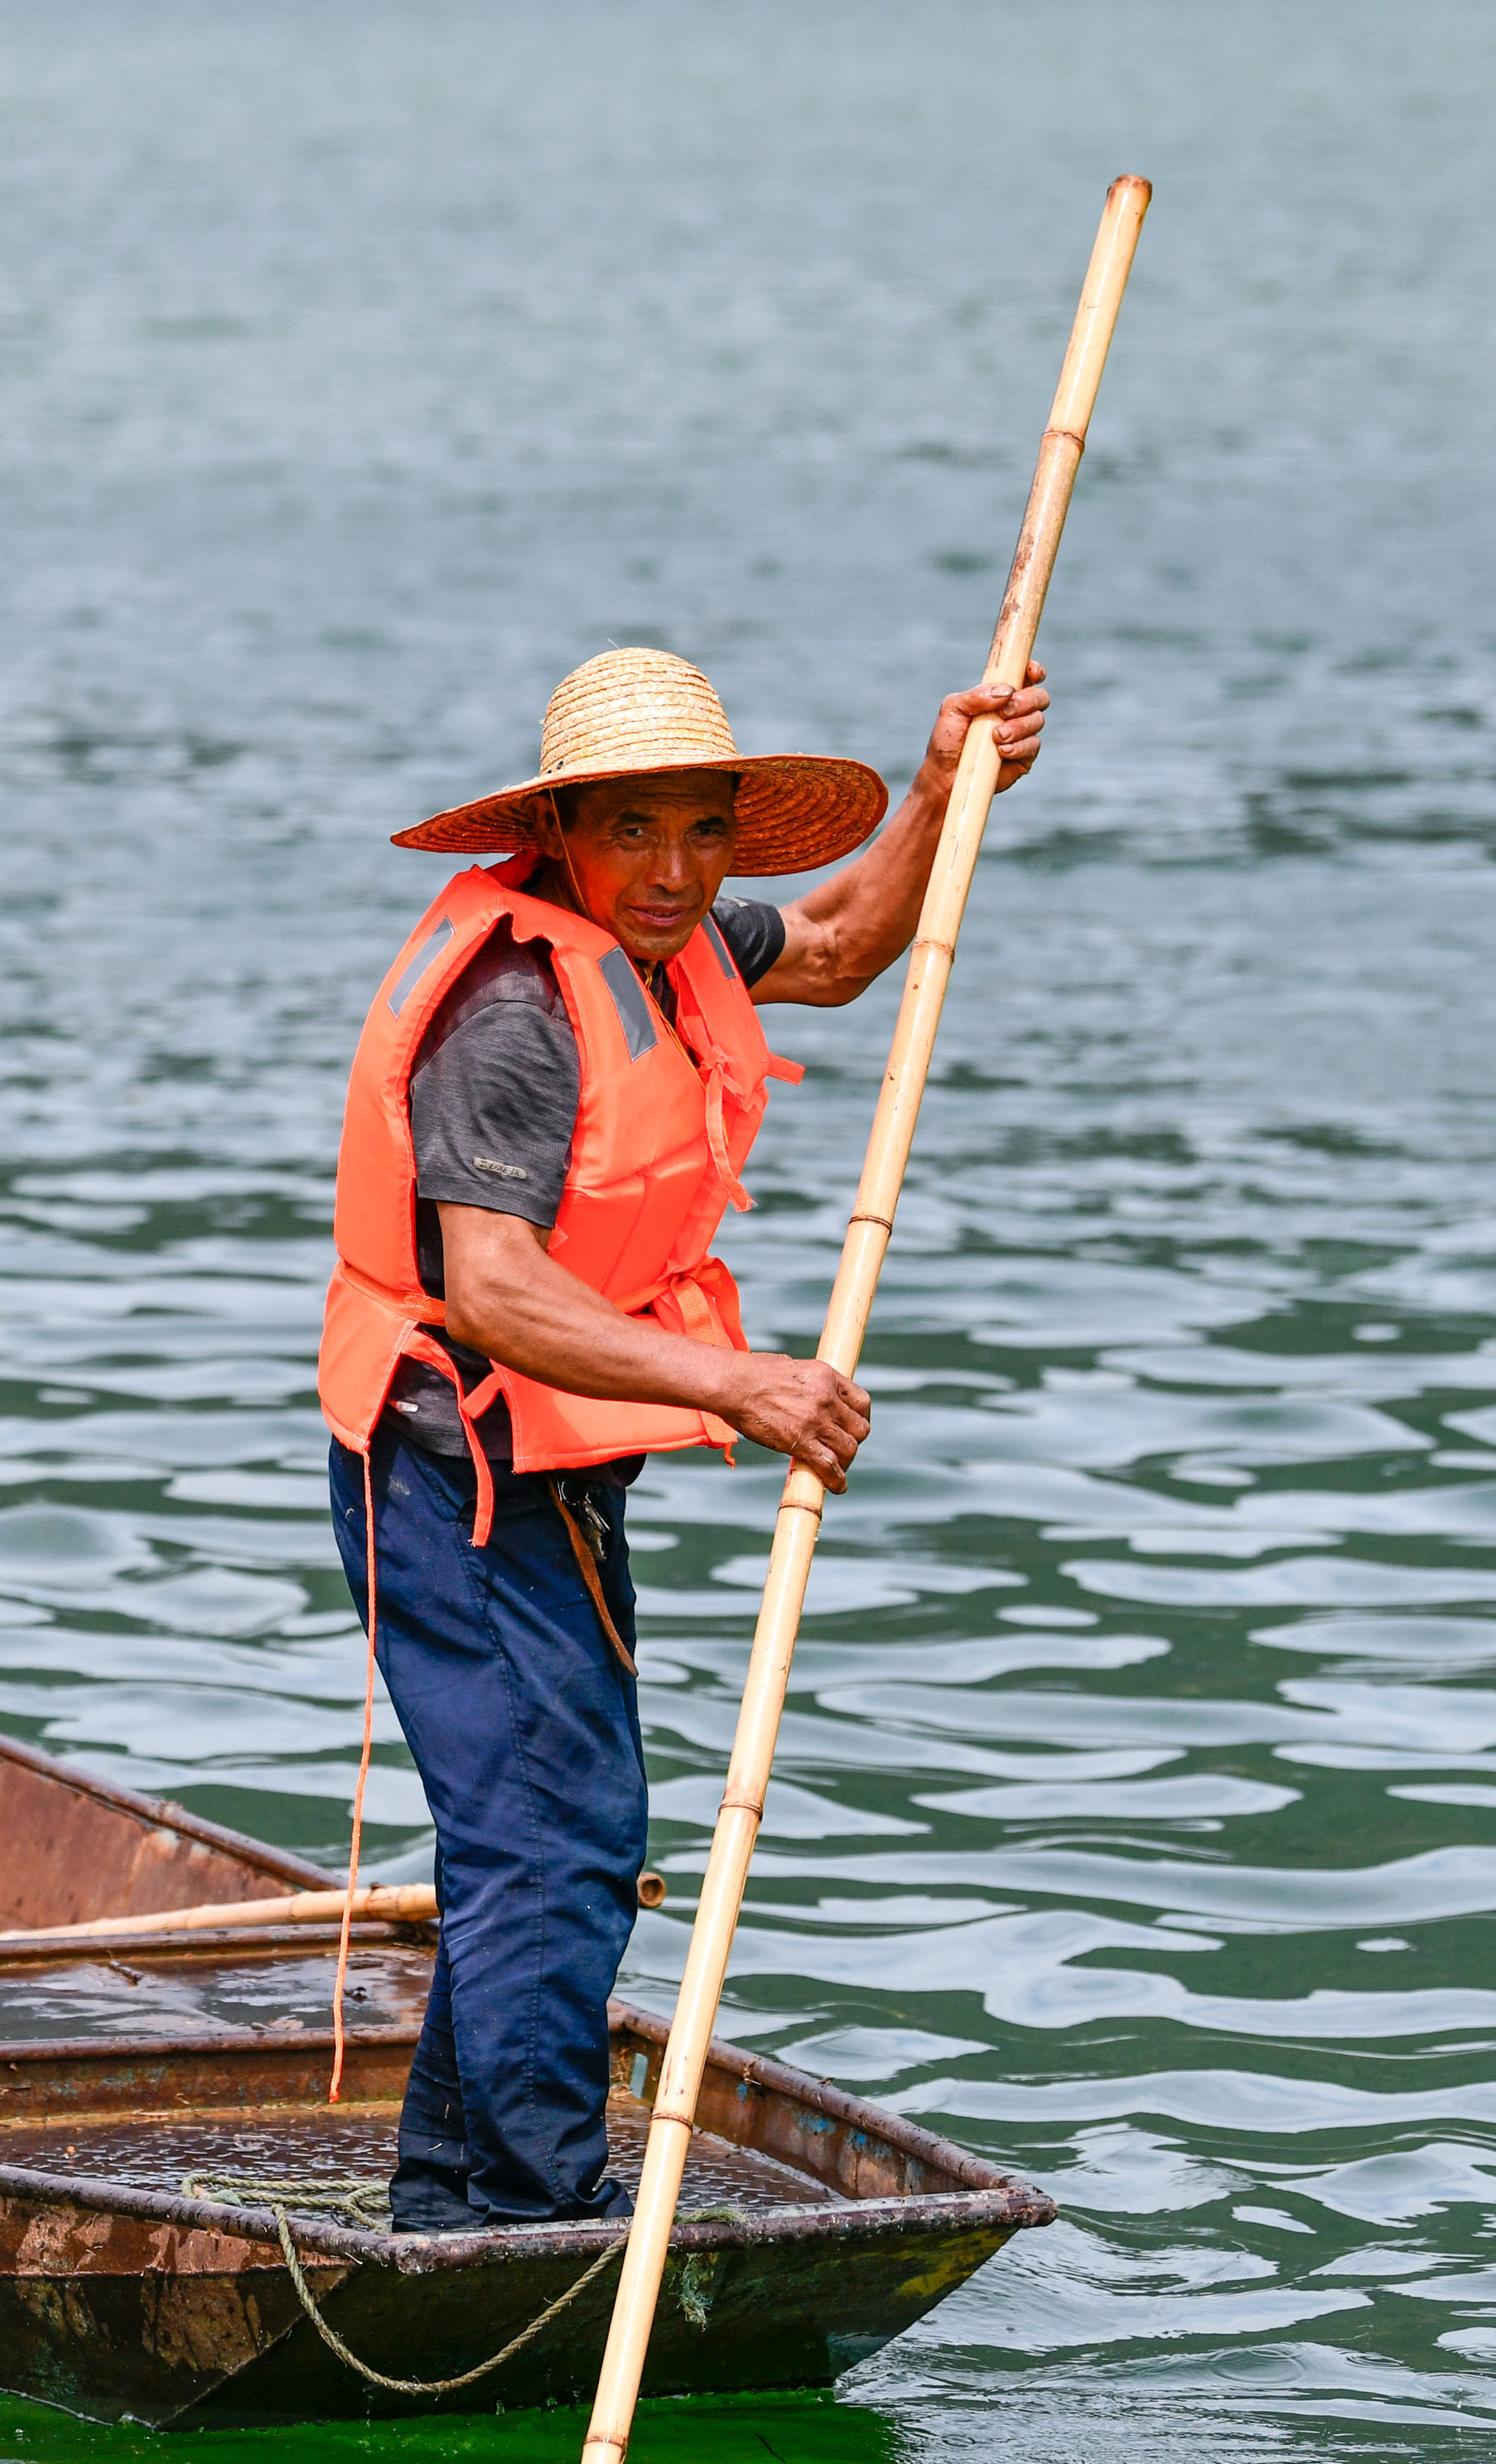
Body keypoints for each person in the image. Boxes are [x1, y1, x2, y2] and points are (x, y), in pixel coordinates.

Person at [317, 645, 1050, 2231]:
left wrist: (945, 785)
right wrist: (744, 1386)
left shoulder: (680, 942)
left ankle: (458, 2201)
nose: (669, 873)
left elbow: (853, 941)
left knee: (557, 1833)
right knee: (552, 1840)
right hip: (449, 1469)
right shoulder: (516, 1010)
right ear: (566, 832)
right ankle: (525, 2211)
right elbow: (491, 1287)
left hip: (556, 1471)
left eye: (700, 833)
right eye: (632, 834)